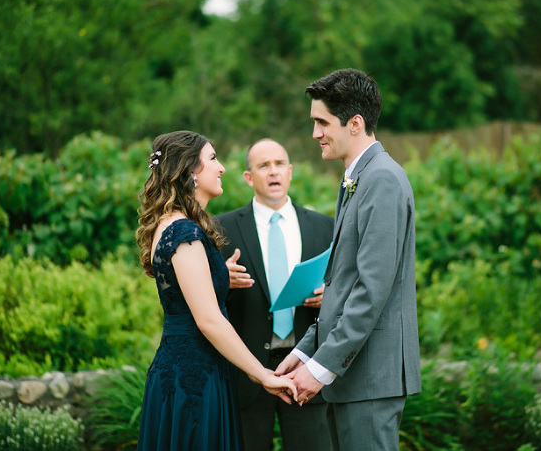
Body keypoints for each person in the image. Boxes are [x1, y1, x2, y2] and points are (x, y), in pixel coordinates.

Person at [276, 69, 422, 451]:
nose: (315, 133)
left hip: (370, 379)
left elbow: (370, 292)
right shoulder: (356, 179)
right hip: (353, 377)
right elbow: (341, 285)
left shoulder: (383, 180)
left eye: (322, 122)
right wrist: (304, 351)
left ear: (355, 124)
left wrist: (320, 369)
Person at [135, 130, 297, 451]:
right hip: (193, 379)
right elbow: (208, 320)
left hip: (191, 369)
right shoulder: (183, 230)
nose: (222, 168)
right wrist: (260, 374)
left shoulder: (172, 225)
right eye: (212, 159)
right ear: (190, 171)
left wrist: (222, 275)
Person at [216, 139, 333, 451]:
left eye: (279, 164)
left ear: (291, 172)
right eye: (263, 166)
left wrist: (330, 297)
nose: (273, 172)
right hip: (247, 374)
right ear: (248, 177)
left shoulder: (325, 227)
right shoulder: (220, 229)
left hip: (308, 369)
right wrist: (220, 281)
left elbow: (347, 290)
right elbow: (205, 305)